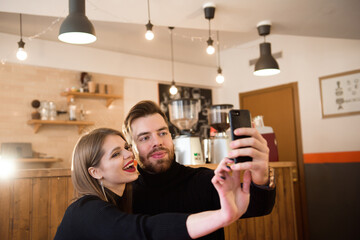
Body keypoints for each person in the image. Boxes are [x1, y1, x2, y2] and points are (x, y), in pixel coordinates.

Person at [54, 128, 251, 240]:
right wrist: (223, 216)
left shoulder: (121, 202)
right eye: (115, 154)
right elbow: (146, 230)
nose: (129, 154)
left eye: (126, 147)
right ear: (95, 172)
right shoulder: (85, 209)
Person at [123, 100, 276, 240]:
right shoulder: (126, 194)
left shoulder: (204, 180)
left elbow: (258, 207)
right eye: (145, 138)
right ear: (130, 147)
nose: (157, 142)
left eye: (162, 133)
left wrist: (261, 174)